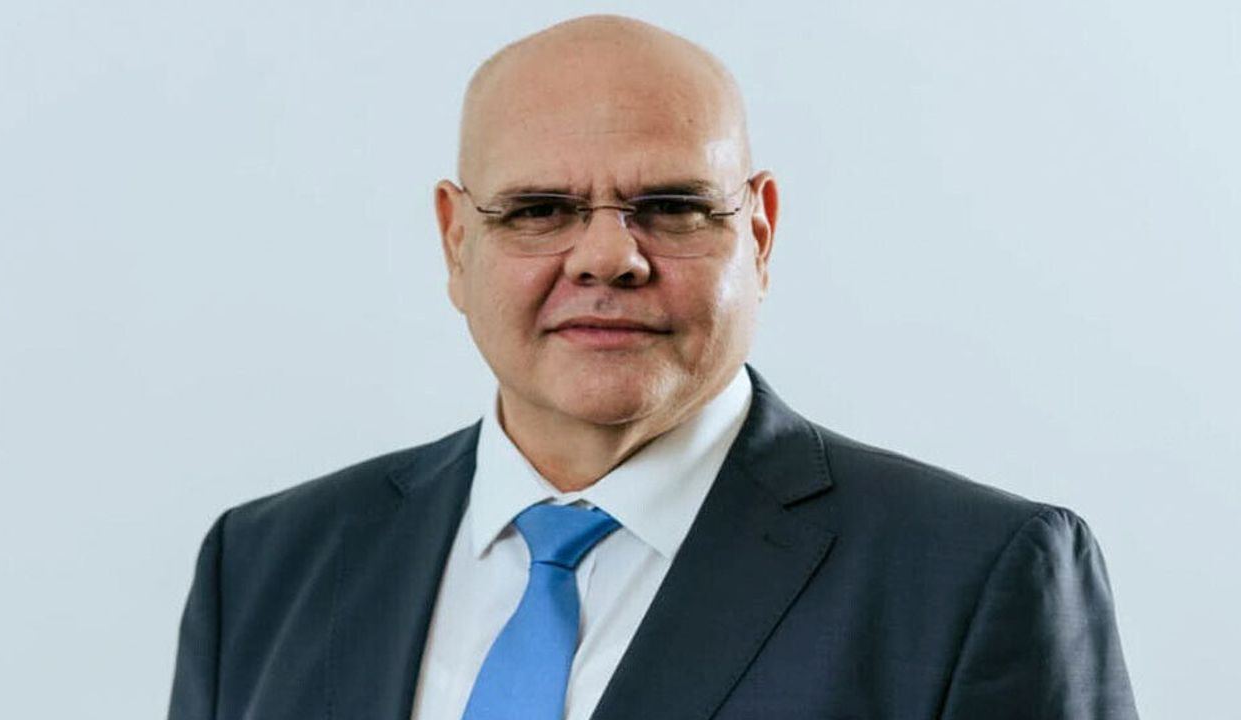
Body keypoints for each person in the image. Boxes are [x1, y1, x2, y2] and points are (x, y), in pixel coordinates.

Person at [167, 14, 1138, 720]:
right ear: (456, 241)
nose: (606, 258)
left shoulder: (970, 578)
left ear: (758, 233)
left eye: (671, 207)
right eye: (538, 211)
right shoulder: (265, 566)